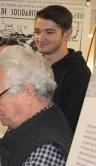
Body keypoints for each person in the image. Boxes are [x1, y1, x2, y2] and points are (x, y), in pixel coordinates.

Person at [34, 5, 91, 133]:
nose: (40, 38)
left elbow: (70, 125)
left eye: (49, 32)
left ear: (67, 33)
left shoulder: (79, 74)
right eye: (37, 32)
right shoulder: (34, 68)